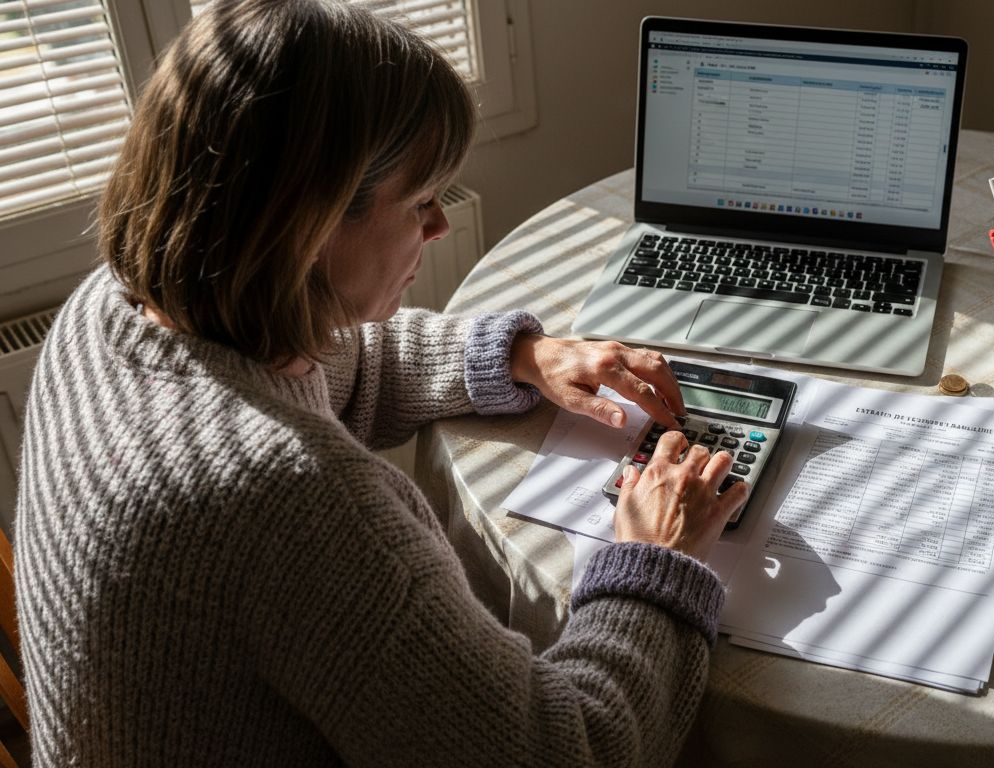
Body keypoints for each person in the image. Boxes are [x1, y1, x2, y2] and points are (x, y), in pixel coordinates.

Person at [14, 1, 748, 765]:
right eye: (421, 201)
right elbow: (568, 753)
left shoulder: (114, 307)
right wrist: (654, 560)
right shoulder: (292, 504)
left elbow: (343, 365)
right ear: (311, 222)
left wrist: (523, 355)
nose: (438, 226)